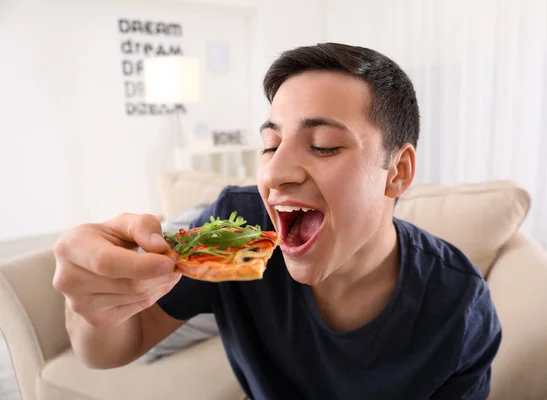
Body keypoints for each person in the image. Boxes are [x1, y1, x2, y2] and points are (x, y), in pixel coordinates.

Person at [53, 43, 502, 399]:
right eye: (270, 146)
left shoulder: (459, 307)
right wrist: (91, 299)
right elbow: (110, 349)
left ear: (398, 171)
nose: (274, 173)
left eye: (324, 144)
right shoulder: (240, 233)